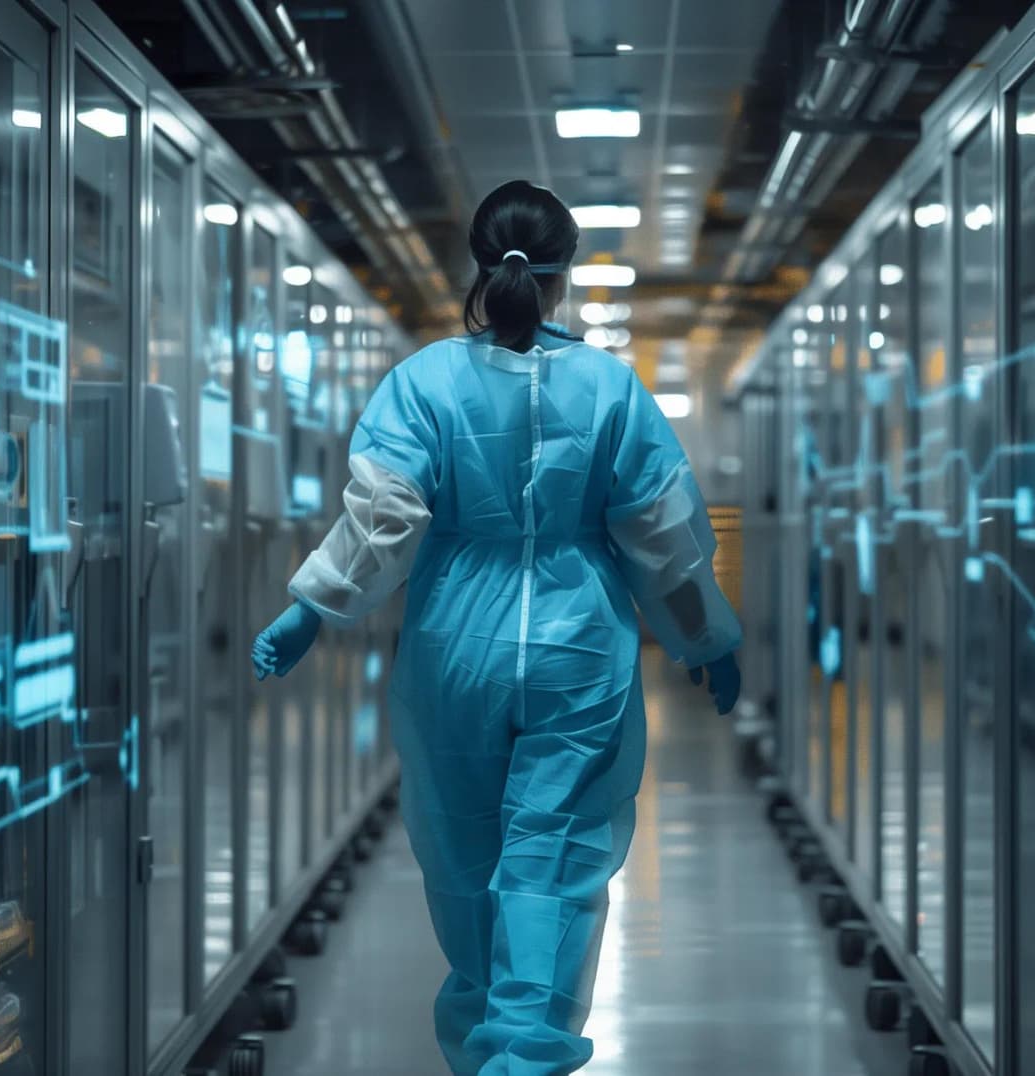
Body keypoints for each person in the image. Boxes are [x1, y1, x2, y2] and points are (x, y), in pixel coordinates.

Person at [251, 180, 742, 1075]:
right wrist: (708, 640)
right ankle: (527, 1052)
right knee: (548, 861)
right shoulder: (610, 388)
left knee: (465, 858)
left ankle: (488, 1052)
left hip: (453, 648)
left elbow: (384, 520)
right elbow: (662, 539)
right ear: (564, 276)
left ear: (479, 266)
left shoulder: (423, 382)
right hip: (579, 651)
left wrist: (309, 609)